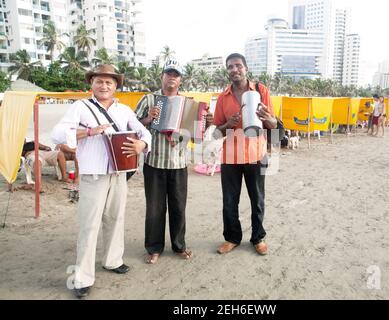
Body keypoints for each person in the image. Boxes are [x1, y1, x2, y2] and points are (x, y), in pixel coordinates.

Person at [51, 65, 152, 298]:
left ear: (116, 86)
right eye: (99, 81)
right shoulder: (80, 107)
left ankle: (112, 260)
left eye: (109, 82)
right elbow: (57, 134)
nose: (104, 86)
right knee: (90, 225)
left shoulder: (124, 110)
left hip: (119, 174)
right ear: (92, 84)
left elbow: (143, 132)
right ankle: (82, 278)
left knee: (115, 218)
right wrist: (88, 132)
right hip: (93, 175)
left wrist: (141, 145)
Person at [134, 59, 213, 265]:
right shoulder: (149, 100)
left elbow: (196, 137)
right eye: (168, 73)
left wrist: (205, 123)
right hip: (154, 163)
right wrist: (147, 120)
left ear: (180, 79)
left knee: (179, 207)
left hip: (178, 164)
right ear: (162, 76)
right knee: (154, 208)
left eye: (176, 74)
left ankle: (179, 245)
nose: (172, 77)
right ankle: (154, 247)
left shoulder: (189, 103)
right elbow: (133, 126)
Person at [213, 53, 277, 256]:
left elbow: (274, 123)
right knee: (230, 201)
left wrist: (268, 119)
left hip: (256, 154)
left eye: (238, 66)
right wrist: (227, 125)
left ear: (246, 68)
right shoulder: (223, 97)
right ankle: (232, 238)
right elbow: (216, 131)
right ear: (227, 71)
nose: (234, 70)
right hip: (230, 156)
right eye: (230, 67)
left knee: (257, 199)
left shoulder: (260, 90)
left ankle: (258, 238)